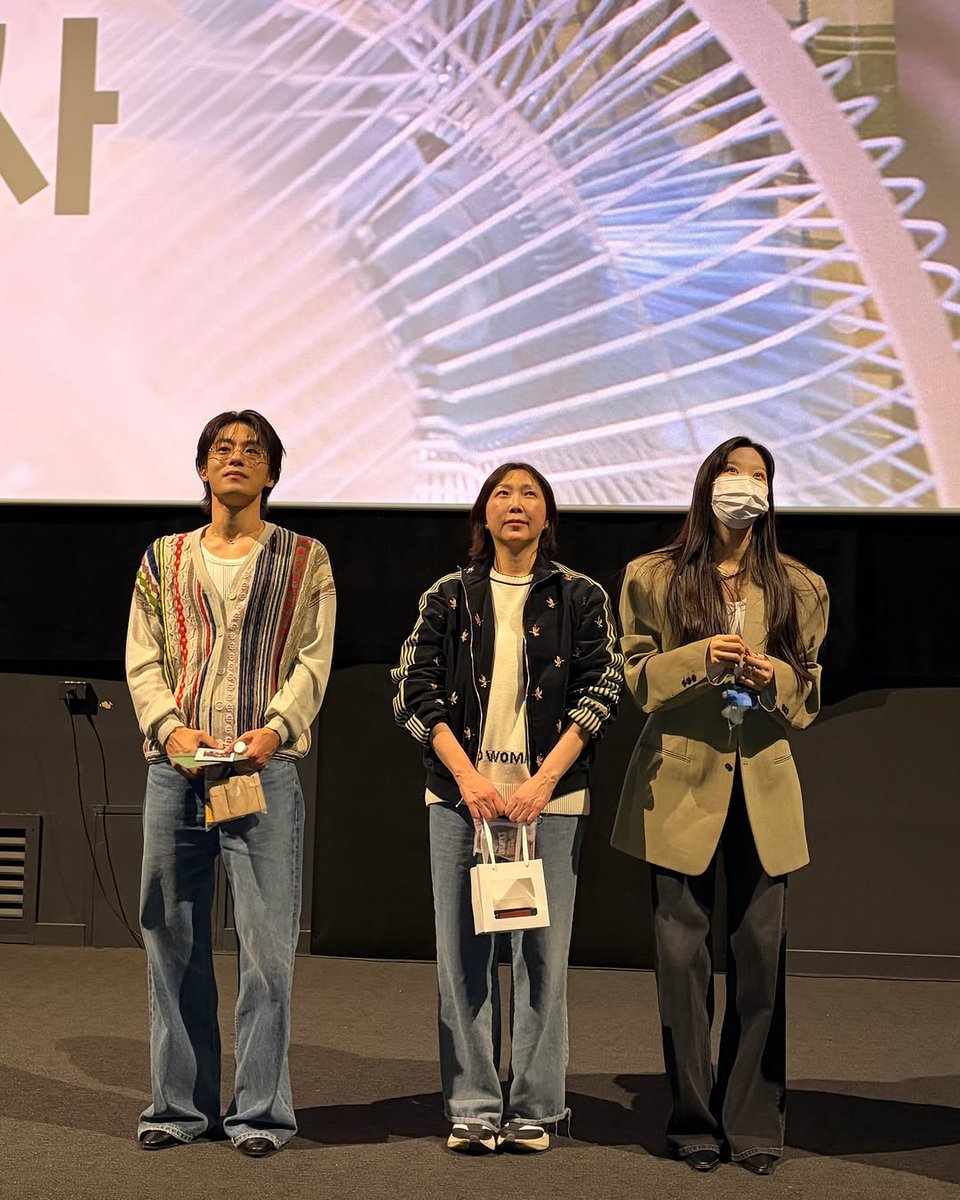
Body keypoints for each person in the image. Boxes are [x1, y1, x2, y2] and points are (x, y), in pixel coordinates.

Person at [612, 436, 828, 1177]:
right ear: (707, 486)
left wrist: (777, 680)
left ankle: (755, 1123)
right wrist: (697, 659)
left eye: (758, 475)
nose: (745, 486)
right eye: (732, 474)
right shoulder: (653, 576)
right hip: (678, 785)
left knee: (761, 960)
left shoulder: (800, 585)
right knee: (682, 962)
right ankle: (694, 1121)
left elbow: (809, 696)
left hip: (763, 787)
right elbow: (635, 680)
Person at [392, 463, 623, 1155]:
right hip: (462, 799)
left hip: (547, 802)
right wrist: (468, 780)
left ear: (548, 515)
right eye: (501, 494)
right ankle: (471, 1103)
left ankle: (537, 1106)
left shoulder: (580, 595)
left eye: (529, 495)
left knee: (541, 959)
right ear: (482, 516)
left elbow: (602, 689)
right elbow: (411, 689)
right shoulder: (448, 595)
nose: (515, 504)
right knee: (462, 956)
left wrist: (542, 783)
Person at [125, 410, 336, 1156]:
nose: (237, 458)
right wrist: (170, 727)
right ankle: (177, 1109)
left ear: (272, 472)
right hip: (176, 775)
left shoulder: (306, 558)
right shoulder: (164, 558)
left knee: (268, 950)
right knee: (172, 937)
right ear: (204, 469)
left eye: (252, 451)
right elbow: (144, 658)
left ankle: (260, 1115)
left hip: (263, 773)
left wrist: (274, 729)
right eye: (224, 449)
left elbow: (313, 660)